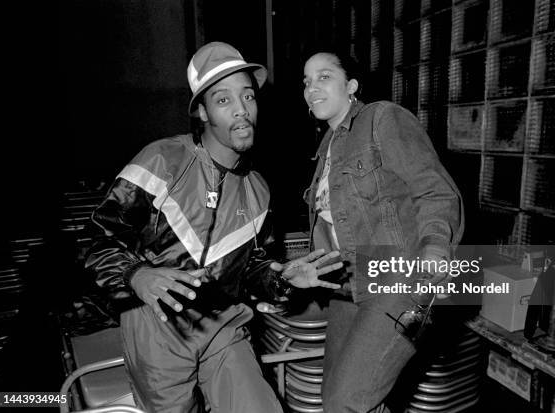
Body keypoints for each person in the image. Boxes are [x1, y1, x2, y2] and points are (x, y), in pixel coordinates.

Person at [85, 42, 342, 413]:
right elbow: (99, 241)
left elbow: (253, 269)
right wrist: (138, 275)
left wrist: (282, 277)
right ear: (202, 112)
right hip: (157, 332)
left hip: (223, 325)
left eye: (248, 96)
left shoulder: (258, 189)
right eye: (223, 100)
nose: (242, 110)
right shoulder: (162, 161)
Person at [302, 51, 464, 412]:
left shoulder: (383, 119)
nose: (312, 88)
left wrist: (435, 247)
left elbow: (434, 189)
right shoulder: (325, 151)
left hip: (397, 279)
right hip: (348, 285)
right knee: (337, 399)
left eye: (324, 77)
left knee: (346, 402)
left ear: (352, 85)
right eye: (307, 81)